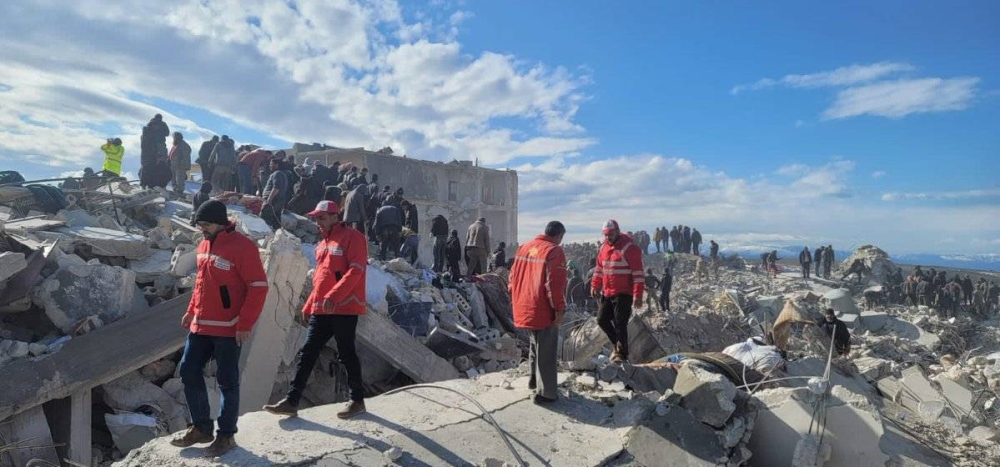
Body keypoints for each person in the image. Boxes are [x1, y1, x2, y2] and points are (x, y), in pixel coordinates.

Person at [170, 200, 268, 456]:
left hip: (228, 328)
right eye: (200, 224)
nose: (202, 228)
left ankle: (226, 436)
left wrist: (244, 323)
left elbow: (258, 287)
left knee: (227, 382)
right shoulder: (203, 245)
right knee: (189, 371)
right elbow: (201, 283)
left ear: (221, 222)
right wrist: (191, 310)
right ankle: (202, 427)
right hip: (201, 325)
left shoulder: (243, 247)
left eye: (207, 224)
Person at [264, 200, 368, 420]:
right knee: (308, 352)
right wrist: (311, 302)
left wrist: (334, 295)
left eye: (321, 217)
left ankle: (357, 400)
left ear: (334, 216)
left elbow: (355, 271)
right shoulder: (323, 244)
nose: (317, 222)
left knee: (346, 352)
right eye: (315, 218)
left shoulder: (354, 238)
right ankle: (292, 401)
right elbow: (321, 277)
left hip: (345, 306)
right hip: (323, 308)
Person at [509, 221, 567, 404]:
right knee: (547, 349)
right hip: (542, 307)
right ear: (559, 236)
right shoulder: (554, 251)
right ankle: (546, 393)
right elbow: (554, 285)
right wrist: (558, 309)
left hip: (524, 305)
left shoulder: (524, 247)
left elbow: (511, 278)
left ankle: (533, 381)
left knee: (535, 344)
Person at [591, 219, 644, 364]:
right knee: (601, 319)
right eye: (606, 235)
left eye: (611, 234)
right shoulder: (603, 248)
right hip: (607, 291)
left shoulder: (630, 249)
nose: (608, 237)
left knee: (620, 322)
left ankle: (622, 354)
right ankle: (617, 345)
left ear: (618, 232)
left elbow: (638, 274)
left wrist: (638, 295)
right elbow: (599, 269)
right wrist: (595, 285)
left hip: (623, 293)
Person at [260, 158, 289, 231]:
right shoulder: (282, 174)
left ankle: (266, 234)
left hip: (273, 200)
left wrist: (269, 198)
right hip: (278, 200)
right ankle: (277, 236)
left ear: (277, 165)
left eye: (271, 164)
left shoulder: (277, 173)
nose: (270, 165)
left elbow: (276, 188)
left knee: (265, 218)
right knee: (276, 220)